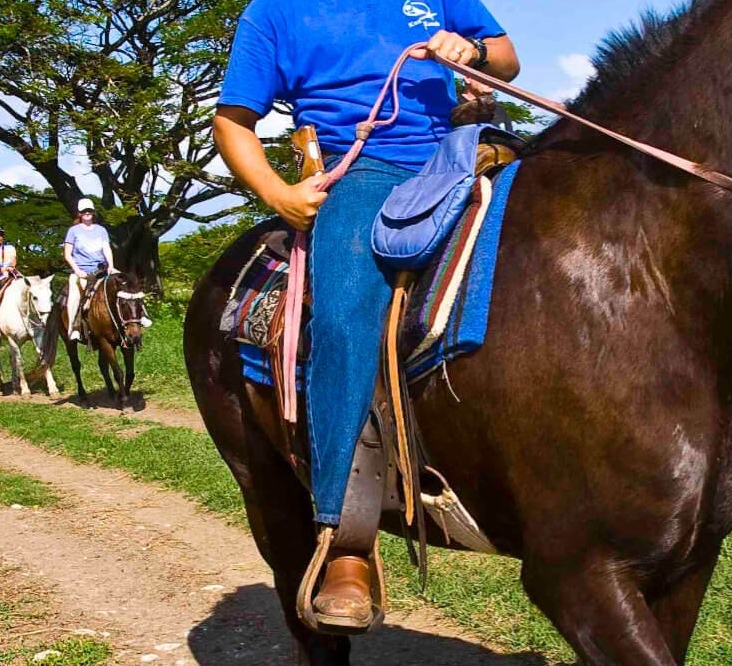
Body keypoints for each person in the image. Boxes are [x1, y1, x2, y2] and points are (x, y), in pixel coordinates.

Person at [213, 0, 520, 630]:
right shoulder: (273, 13)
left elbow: (508, 59)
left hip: (469, 150)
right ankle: (344, 541)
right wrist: (278, 193)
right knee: (346, 316)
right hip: (366, 170)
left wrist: (474, 53)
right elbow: (232, 121)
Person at [64, 198, 120, 341]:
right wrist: (77, 271)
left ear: (93, 213)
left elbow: (106, 249)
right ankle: (73, 327)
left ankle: (139, 317)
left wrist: (111, 266)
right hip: (81, 271)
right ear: (80, 214)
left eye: (89, 211)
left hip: (101, 269)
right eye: (84, 211)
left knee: (126, 283)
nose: (87, 213)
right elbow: (67, 254)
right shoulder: (73, 231)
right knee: (75, 296)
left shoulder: (101, 230)